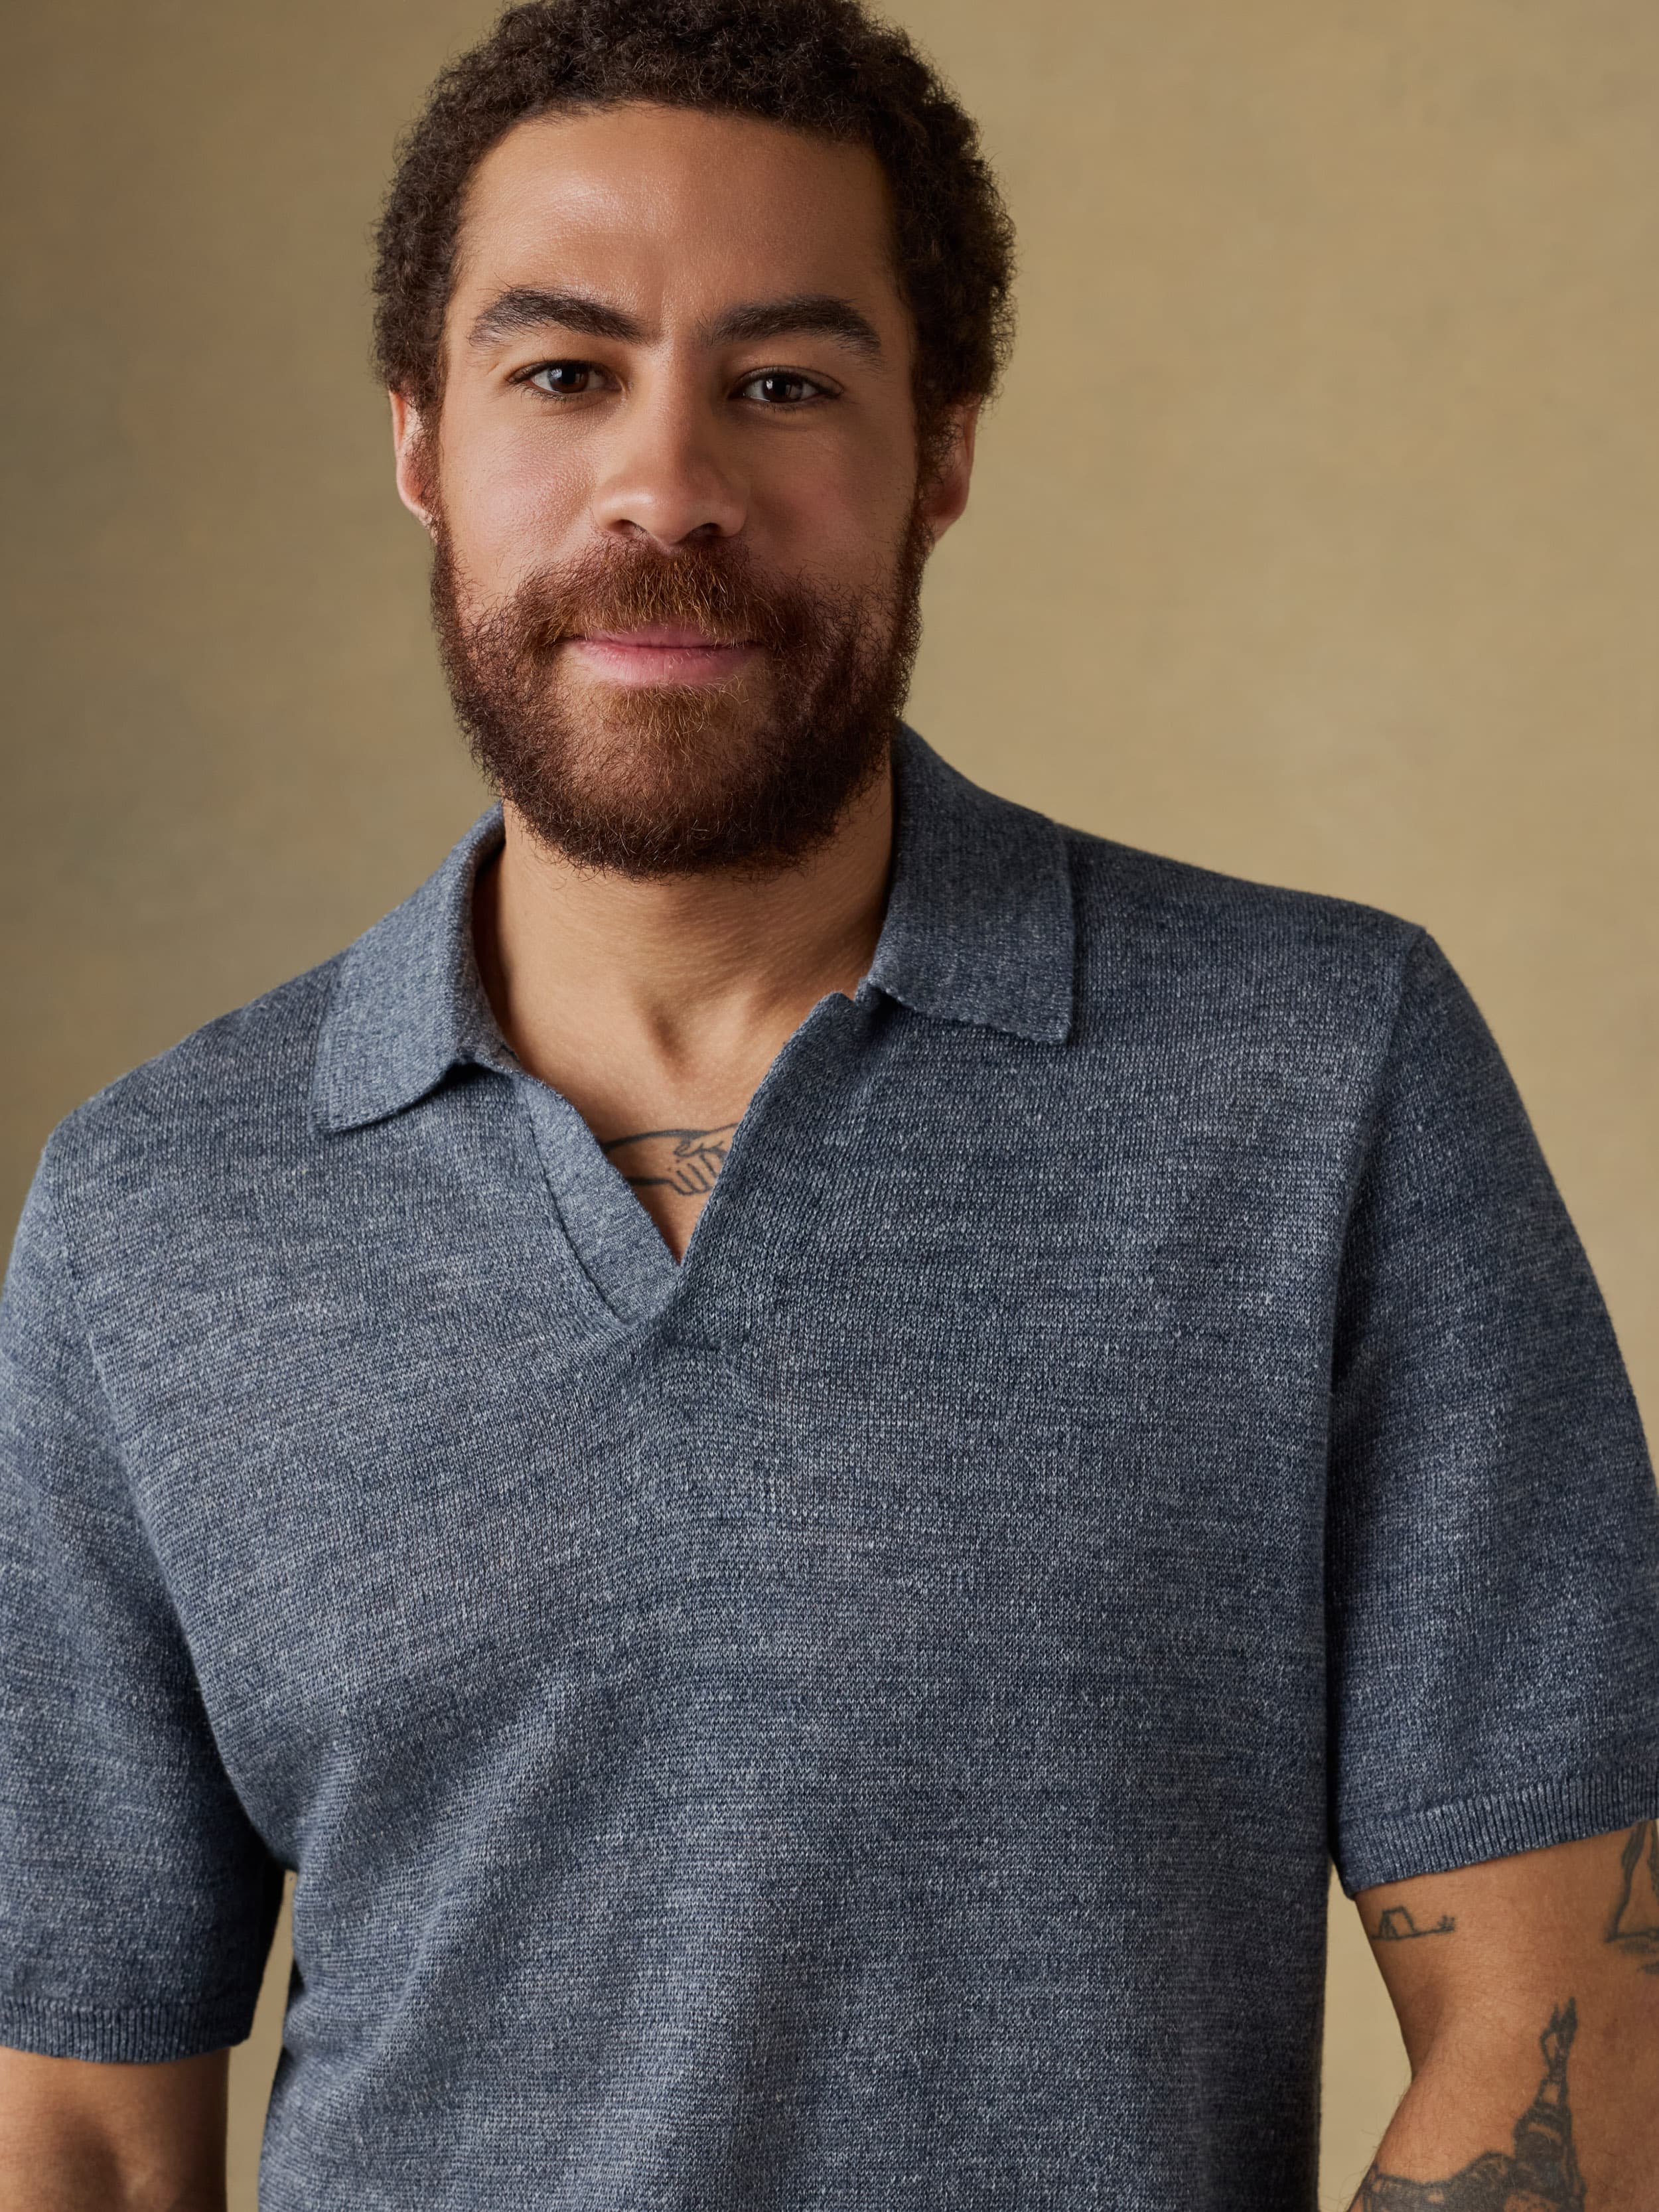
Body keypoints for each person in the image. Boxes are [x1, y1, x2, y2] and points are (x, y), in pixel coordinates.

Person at [1, 3, 1656, 2206]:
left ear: (941, 447)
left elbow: (1582, 2027)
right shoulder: (151, 1215)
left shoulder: (1318, 1082)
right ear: (418, 438)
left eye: (782, 384)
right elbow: (87, 2131)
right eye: (562, 372)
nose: (667, 482)